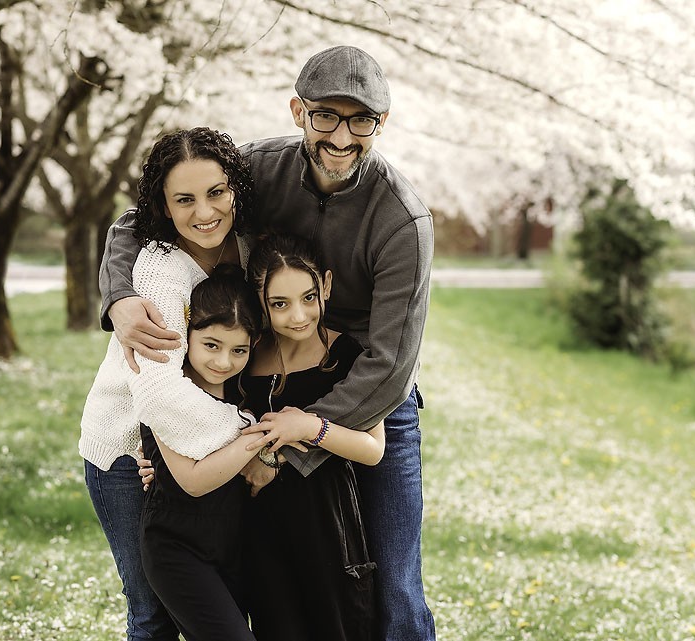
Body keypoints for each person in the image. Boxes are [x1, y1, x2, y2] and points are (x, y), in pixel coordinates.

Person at [100, 46, 437, 640]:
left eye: (362, 121)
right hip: (269, 380)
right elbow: (141, 218)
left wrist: (284, 449)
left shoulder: (401, 219)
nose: (341, 136)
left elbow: (389, 362)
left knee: (394, 586)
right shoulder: (258, 167)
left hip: (366, 396)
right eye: (326, 116)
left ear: (381, 125)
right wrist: (119, 298)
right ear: (297, 112)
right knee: (273, 574)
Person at [80, 127, 259, 641]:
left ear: (236, 190)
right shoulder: (160, 270)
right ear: (163, 206)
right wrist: (249, 434)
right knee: (152, 613)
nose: (204, 212)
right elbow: (157, 394)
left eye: (216, 193)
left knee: (215, 605)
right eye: (185, 200)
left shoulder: (244, 255)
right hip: (128, 450)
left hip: (192, 449)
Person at [236, 233, 384, 641]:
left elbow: (372, 449)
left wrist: (308, 427)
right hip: (263, 534)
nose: (298, 315)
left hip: (329, 530)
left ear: (327, 287)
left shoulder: (348, 356)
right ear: (260, 301)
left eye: (308, 297)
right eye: (279, 304)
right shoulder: (246, 358)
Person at [139, 265, 266, 641]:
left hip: (234, 542)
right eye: (211, 344)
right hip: (176, 543)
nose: (223, 362)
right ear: (188, 333)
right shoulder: (167, 392)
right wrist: (257, 439)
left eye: (238, 349)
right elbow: (193, 481)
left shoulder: (247, 393)